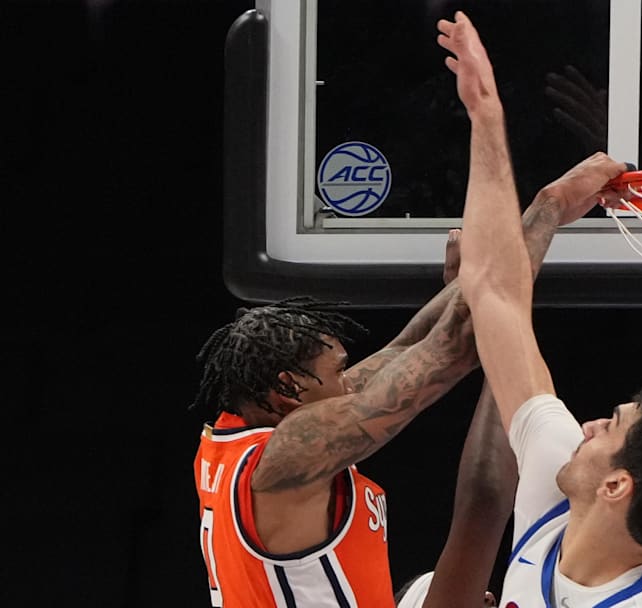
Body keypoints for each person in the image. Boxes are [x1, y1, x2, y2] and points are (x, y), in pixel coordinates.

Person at [191, 142, 610, 605]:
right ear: (289, 389)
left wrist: (466, 290)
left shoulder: (236, 444)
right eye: (340, 371)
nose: (353, 382)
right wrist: (548, 206)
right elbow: (457, 345)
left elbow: (410, 347)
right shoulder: (288, 456)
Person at [439, 11, 642, 607]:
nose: (589, 424)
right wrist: (487, 116)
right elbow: (495, 292)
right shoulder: (563, 469)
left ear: (616, 485)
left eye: (612, 427)